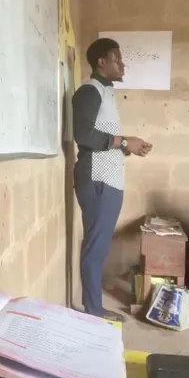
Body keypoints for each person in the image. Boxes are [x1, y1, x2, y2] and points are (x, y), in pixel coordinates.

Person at [72, 38, 153, 320]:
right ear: (101, 62)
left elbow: (103, 138)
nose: (122, 64)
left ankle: (92, 305)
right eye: (117, 59)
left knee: (99, 244)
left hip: (107, 178)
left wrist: (128, 147)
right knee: (95, 246)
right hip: (97, 178)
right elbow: (83, 135)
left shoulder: (105, 92)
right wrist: (124, 141)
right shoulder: (89, 91)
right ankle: (93, 309)